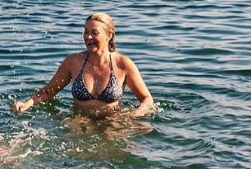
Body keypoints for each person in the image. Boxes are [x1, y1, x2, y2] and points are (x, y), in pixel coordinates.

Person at [12, 13, 154, 117]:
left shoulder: (123, 64)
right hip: (80, 121)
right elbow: (48, 92)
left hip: (113, 122)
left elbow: (147, 99)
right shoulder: (73, 62)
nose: (88, 37)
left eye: (94, 33)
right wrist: (27, 104)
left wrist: (137, 113)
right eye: (86, 32)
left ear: (109, 35)